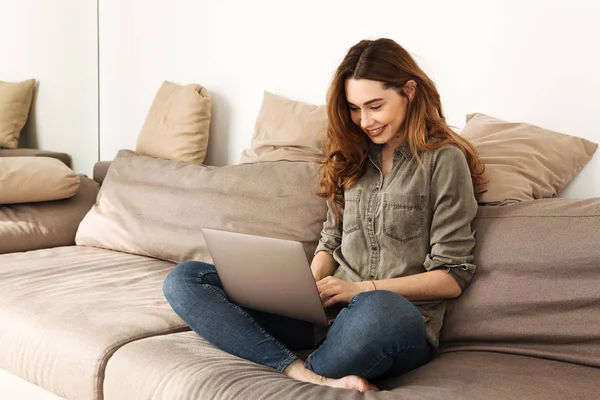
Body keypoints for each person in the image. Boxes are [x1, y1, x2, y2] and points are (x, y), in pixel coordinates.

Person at [163, 38, 486, 393]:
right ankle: (303, 374)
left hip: (395, 320)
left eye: (376, 106)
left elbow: (451, 276)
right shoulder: (353, 157)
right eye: (354, 108)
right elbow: (331, 241)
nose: (365, 121)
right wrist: (306, 291)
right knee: (186, 278)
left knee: (379, 309)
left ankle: (300, 369)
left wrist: (359, 290)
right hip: (325, 317)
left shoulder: (443, 160)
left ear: (409, 91)